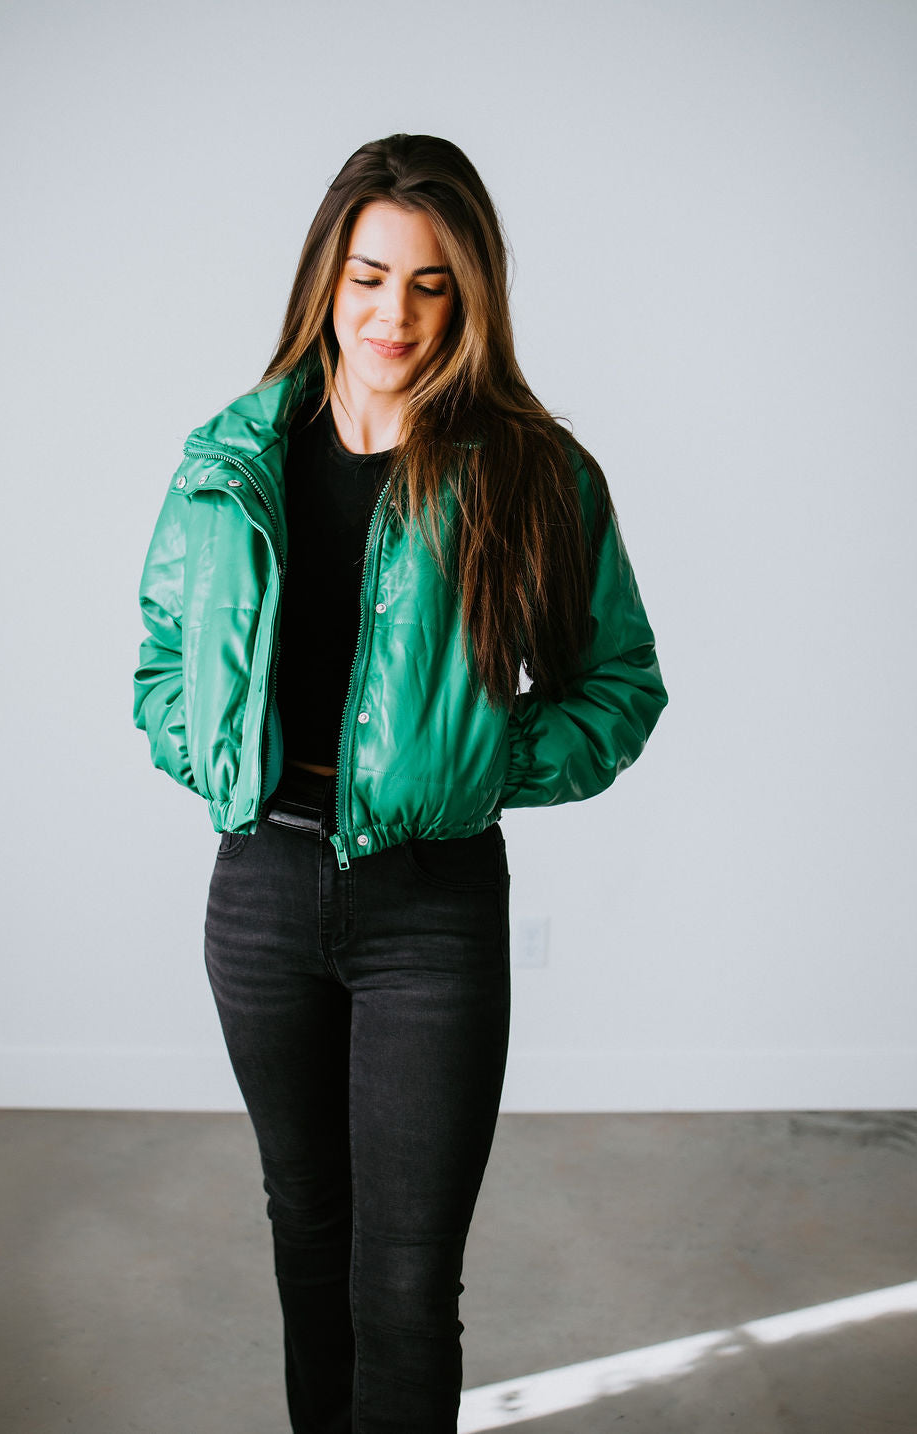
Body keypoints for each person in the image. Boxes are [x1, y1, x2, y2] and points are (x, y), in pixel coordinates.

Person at [133, 133, 667, 1434]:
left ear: (471, 292)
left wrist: (477, 761)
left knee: (409, 1281)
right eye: (370, 277)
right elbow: (160, 663)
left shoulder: (530, 470)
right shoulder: (229, 458)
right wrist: (218, 756)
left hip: (432, 905)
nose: (396, 315)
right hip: (261, 890)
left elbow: (619, 685)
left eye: (432, 284)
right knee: (308, 1234)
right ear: (327, 276)